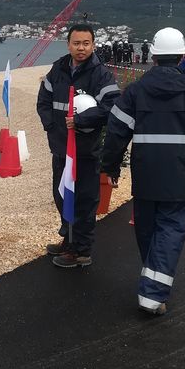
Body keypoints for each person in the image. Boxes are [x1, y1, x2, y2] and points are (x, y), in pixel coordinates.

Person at [101, 26, 185, 316]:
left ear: (153, 57)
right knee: (170, 231)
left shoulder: (135, 91)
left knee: (148, 230)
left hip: (145, 176)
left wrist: (111, 167)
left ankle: (151, 279)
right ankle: (152, 295)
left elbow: (116, 131)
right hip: (178, 178)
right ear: (183, 56)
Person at [37, 23, 120, 268]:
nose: (81, 48)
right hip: (61, 148)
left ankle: (81, 250)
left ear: (93, 45)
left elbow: (111, 107)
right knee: (62, 195)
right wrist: (51, 127)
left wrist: (81, 121)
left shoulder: (101, 74)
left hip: (85, 151)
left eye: (86, 43)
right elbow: (44, 101)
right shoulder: (58, 69)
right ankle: (68, 239)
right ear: (68, 44)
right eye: (76, 43)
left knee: (83, 200)